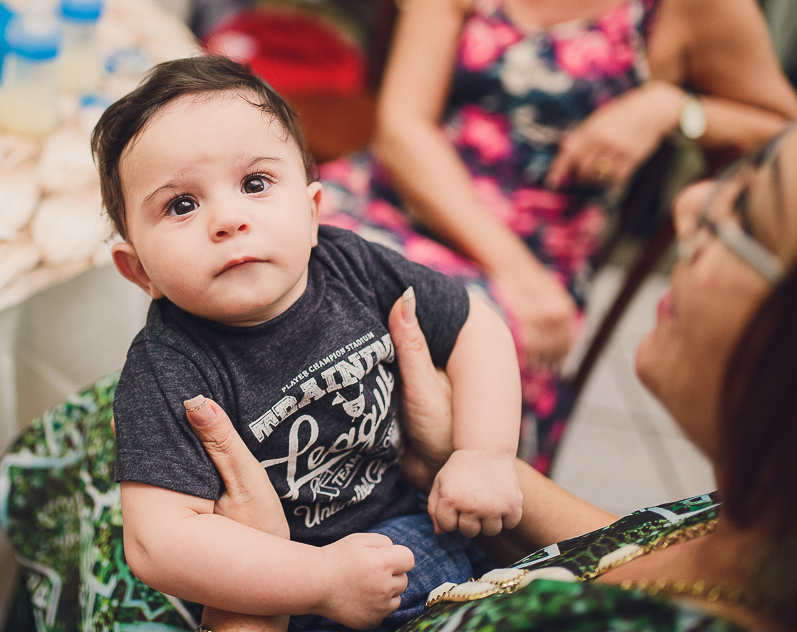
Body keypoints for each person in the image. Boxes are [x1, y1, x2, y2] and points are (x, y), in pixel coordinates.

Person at [183, 106, 797, 632]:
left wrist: (252, 604)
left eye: (751, 211)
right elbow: (616, 551)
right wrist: (461, 455)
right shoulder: (762, 534)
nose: (693, 202)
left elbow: (474, 315)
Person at [318, 0, 797, 471]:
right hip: (404, 198)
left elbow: (788, 131)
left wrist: (670, 108)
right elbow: (403, 129)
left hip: (541, 258)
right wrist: (511, 266)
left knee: (431, 358)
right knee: (283, 265)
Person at [91, 55, 524, 630]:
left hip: (424, 521)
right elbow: (158, 542)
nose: (228, 218)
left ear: (314, 211)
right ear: (138, 270)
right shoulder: (167, 368)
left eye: (255, 183)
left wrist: (482, 452)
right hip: (283, 587)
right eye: (181, 205)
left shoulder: (351, 265)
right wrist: (319, 582)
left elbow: (476, 323)